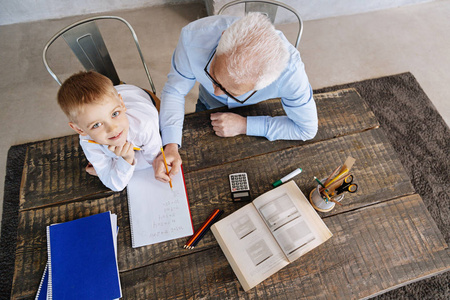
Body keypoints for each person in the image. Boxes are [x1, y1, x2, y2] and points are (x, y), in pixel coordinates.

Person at [154, 12, 317, 184]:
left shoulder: (290, 74)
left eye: (231, 91)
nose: (216, 92)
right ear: (222, 39)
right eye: (214, 76)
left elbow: (306, 129)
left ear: (263, 83)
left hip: (253, 111)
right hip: (205, 105)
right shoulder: (192, 38)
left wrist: (245, 125)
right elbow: (174, 91)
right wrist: (170, 144)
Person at [57, 71, 162, 191]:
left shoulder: (144, 124)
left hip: (141, 96)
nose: (112, 129)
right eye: (96, 125)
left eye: (115, 114)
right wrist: (126, 159)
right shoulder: (87, 142)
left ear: (122, 104)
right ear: (79, 129)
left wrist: (115, 167)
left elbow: (155, 160)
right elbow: (115, 185)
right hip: (110, 99)